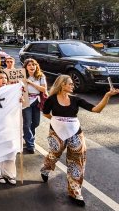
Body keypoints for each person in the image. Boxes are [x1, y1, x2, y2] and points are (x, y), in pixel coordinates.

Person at [40, 75, 118, 207]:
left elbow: (96, 109)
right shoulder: (51, 100)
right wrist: (59, 122)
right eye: (70, 84)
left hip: (76, 133)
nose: (72, 86)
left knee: (77, 162)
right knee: (54, 155)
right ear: (62, 85)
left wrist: (107, 95)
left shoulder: (76, 100)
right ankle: (46, 168)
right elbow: (46, 113)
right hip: (56, 133)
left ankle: (75, 191)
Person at [22, 58, 47, 154]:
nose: (32, 66)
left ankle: (28, 136)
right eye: (29, 65)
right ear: (26, 67)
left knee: (36, 123)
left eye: (33, 64)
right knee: (27, 123)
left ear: (36, 66)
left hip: (37, 101)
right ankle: (30, 144)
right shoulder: (22, 76)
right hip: (26, 100)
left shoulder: (40, 76)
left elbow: (43, 89)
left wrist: (31, 83)